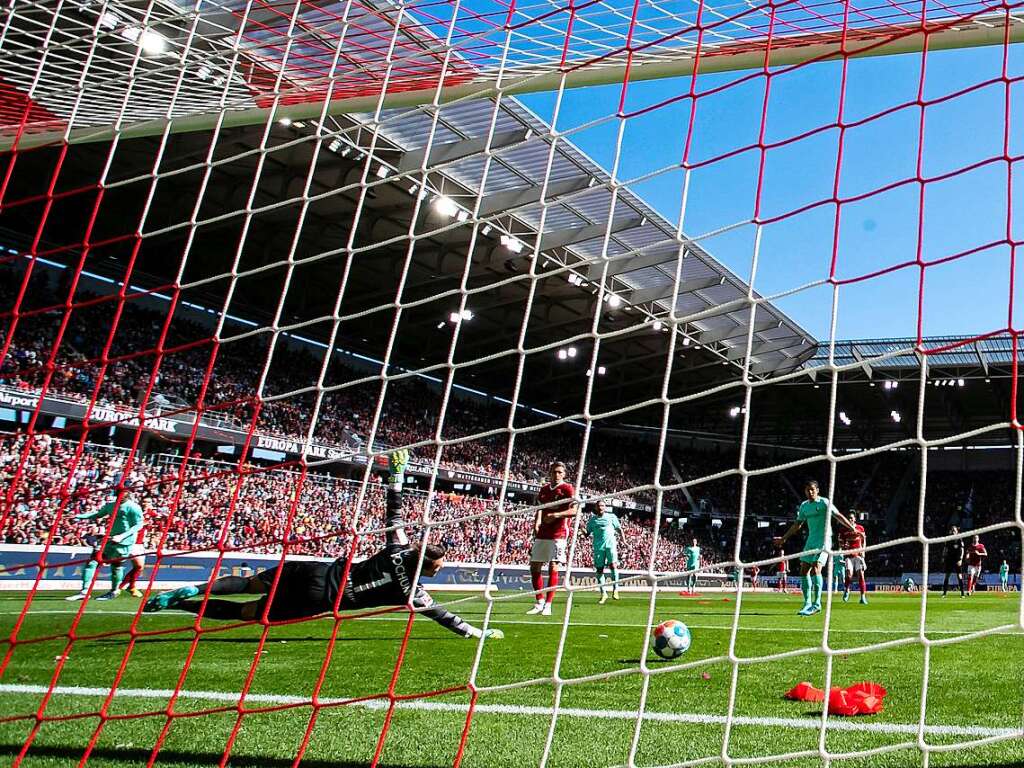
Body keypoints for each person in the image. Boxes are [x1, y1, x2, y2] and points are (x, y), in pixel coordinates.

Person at [145, 451, 503, 641]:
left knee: (250, 583)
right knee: (250, 613)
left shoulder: (399, 548)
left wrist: (396, 476)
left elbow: (394, 509)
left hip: (320, 569)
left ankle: (193, 588)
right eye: (438, 568)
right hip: (322, 598)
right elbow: (444, 617)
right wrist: (475, 633)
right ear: (429, 568)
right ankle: (189, 605)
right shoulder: (414, 593)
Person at [773, 480, 855, 616]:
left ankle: (817, 604)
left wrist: (851, 527)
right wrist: (784, 538)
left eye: (812, 489)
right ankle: (807, 603)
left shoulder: (824, 503)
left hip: (824, 541)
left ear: (817, 490)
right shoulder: (804, 506)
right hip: (811, 541)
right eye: (807, 490)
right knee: (803, 570)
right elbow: (797, 525)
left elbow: (838, 515)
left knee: (816, 567)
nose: (809, 492)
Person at [65, 485, 145, 602]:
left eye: (122, 493)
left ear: (127, 493)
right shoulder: (111, 506)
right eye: (118, 493)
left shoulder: (133, 507)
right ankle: (84, 592)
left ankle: (114, 591)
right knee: (92, 562)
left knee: (116, 566)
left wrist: (121, 536)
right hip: (110, 539)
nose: (120, 495)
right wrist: (79, 516)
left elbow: (138, 525)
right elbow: (97, 514)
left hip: (124, 542)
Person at [527, 461, 579, 616]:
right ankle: (539, 602)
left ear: (564, 474)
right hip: (543, 532)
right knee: (534, 566)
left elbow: (574, 510)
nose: (556, 475)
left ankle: (548, 605)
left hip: (559, 533)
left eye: (560, 472)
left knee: (553, 566)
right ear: (549, 473)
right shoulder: (544, 490)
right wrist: (537, 522)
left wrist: (557, 515)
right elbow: (541, 509)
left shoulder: (567, 488)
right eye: (554, 472)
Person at [585, 499, 621, 604]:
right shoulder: (593, 520)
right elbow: (587, 534)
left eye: (602, 505)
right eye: (599, 506)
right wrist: (582, 530)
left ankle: (616, 589)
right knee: (599, 570)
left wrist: (624, 540)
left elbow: (619, 529)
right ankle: (603, 593)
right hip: (598, 547)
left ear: (605, 507)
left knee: (613, 566)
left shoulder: (612, 517)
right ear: (596, 507)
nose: (601, 507)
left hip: (610, 546)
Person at [839, 511, 868, 605]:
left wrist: (863, 552)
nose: (850, 520)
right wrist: (844, 547)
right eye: (849, 518)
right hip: (848, 556)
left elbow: (864, 540)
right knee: (849, 575)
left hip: (858, 555)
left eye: (852, 518)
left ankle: (863, 597)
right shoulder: (843, 530)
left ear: (855, 519)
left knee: (861, 575)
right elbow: (840, 543)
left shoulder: (860, 528)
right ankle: (847, 590)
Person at [941, 526, 966, 598]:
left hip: (957, 560)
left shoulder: (959, 539)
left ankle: (962, 593)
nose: (953, 532)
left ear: (957, 531)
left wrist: (960, 559)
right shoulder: (948, 539)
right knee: (947, 576)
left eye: (954, 530)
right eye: (952, 530)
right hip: (949, 559)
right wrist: (943, 557)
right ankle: (944, 593)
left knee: (959, 576)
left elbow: (962, 550)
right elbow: (945, 549)